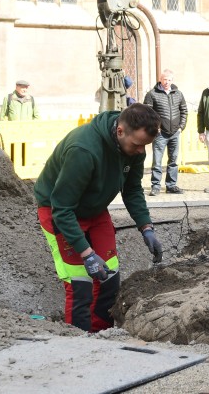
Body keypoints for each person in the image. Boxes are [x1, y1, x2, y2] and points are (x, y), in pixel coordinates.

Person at [34, 103, 164, 332]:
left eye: (146, 146)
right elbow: (61, 208)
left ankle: (102, 335)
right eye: (138, 145)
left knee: (109, 277)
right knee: (80, 284)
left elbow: (132, 189)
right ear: (120, 131)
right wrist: (86, 253)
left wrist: (146, 227)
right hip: (61, 212)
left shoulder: (133, 147)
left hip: (95, 209)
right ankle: (79, 341)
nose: (141, 151)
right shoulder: (83, 150)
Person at [143, 69, 188, 196]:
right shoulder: (152, 94)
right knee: (157, 161)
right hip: (160, 133)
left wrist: (181, 127)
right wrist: (154, 128)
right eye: (164, 79)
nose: (167, 82)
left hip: (175, 132)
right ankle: (156, 186)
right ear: (160, 79)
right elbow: (147, 114)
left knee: (173, 160)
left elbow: (184, 111)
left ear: (172, 80)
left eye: (169, 79)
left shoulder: (178, 94)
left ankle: (171, 185)